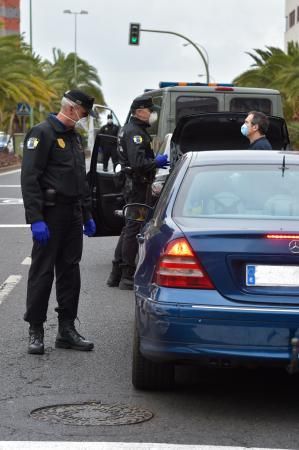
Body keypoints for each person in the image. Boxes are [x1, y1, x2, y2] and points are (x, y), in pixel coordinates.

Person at [21, 89, 97, 355]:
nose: (85, 118)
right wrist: (36, 219)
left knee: (70, 272)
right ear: (73, 108)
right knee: (42, 272)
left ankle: (66, 330)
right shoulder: (42, 133)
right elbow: (30, 179)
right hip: (50, 215)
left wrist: (87, 214)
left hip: (73, 213)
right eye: (85, 113)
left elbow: (80, 178)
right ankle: (36, 330)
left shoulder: (74, 138)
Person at [106, 96, 169, 290]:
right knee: (133, 229)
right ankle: (126, 275)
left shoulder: (130, 128)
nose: (152, 114)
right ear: (140, 111)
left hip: (133, 184)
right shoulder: (135, 133)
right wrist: (155, 162)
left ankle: (116, 274)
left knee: (128, 228)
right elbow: (138, 164)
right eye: (150, 110)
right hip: (137, 186)